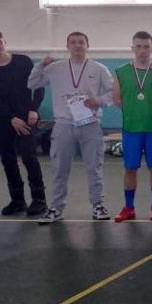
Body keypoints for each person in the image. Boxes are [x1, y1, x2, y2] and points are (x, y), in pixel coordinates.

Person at [28, 31, 113, 225]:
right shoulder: (55, 68)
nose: (77, 45)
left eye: (81, 42)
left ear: (87, 46)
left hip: (90, 123)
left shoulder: (99, 69)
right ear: (67, 46)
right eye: (73, 42)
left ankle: (98, 205)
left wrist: (98, 100)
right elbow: (32, 83)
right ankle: (56, 208)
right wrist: (40, 65)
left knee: (95, 167)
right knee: (59, 168)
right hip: (63, 124)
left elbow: (114, 92)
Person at [112, 32, 152, 222]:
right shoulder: (121, 71)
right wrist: (134, 111)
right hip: (131, 128)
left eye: (146, 47)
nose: (143, 50)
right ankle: (129, 207)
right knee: (130, 169)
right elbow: (116, 98)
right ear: (133, 48)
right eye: (139, 46)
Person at [0, 29, 46, 216]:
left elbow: (39, 84)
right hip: (2, 120)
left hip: (26, 118)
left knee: (29, 158)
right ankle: (17, 200)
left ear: (5, 42)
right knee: (8, 159)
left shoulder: (23, 61)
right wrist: (10, 118)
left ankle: (39, 200)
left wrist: (34, 108)